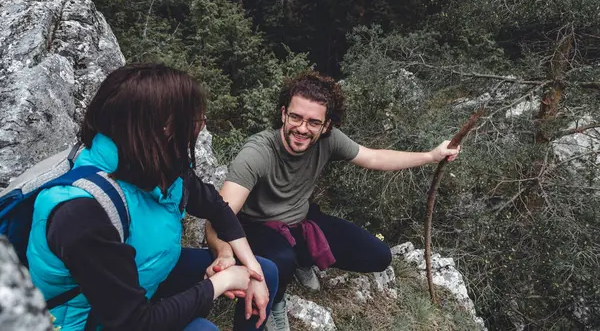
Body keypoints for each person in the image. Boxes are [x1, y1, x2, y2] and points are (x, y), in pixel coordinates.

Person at [26, 63, 278, 331]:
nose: (201, 125)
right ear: (163, 128)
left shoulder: (162, 168)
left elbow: (216, 208)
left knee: (267, 271)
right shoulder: (82, 213)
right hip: (92, 320)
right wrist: (221, 283)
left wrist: (251, 270)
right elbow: (135, 322)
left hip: (144, 277)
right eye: (195, 120)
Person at [204, 70, 461, 331]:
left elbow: (373, 158)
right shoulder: (256, 153)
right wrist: (225, 253)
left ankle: (302, 259)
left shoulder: (329, 141)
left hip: (302, 221)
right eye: (295, 117)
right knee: (280, 258)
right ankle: (276, 298)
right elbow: (219, 219)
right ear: (283, 114)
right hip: (258, 228)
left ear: (326, 125)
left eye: (313, 122)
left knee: (378, 256)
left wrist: (431, 156)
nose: (302, 128)